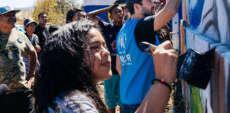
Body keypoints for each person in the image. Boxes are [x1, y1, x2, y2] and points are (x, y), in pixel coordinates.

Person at [33, 21, 178, 113]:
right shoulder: (73, 106)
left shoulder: (69, 98)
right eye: (95, 47)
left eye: (105, 46)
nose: (106, 52)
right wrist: (162, 80)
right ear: (71, 55)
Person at [116, 0, 189, 112]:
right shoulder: (141, 26)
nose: (154, 4)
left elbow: (119, 67)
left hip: (127, 97)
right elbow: (170, 11)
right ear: (137, 7)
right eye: (149, 1)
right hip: (142, 99)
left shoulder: (123, 31)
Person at [88, 2, 124, 113]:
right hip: (110, 72)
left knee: (124, 102)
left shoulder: (127, 27)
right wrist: (107, 8)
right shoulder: (107, 27)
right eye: (115, 12)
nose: (119, 14)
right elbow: (90, 15)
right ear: (111, 15)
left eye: (120, 11)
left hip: (125, 71)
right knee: (110, 102)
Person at [0, 6, 37, 113]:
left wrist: (31, 76)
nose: (13, 17)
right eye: (8, 15)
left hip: (22, 91)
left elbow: (33, 53)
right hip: (2, 94)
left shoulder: (20, 35)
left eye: (13, 15)